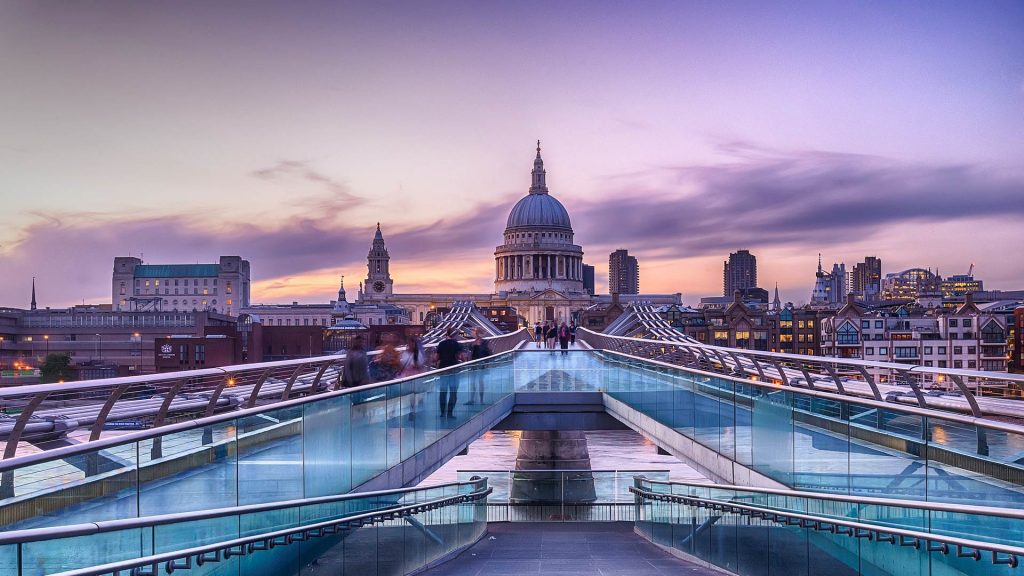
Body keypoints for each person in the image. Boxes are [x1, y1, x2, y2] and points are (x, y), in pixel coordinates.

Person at [435, 328, 462, 418]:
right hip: (454, 369)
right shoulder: (456, 344)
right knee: (453, 392)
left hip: (443, 369)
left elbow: (436, 358)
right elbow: (459, 356)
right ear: (454, 334)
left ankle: (442, 413)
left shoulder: (441, 344)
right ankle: (450, 413)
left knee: (443, 391)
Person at [467, 328, 491, 404]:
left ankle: (480, 400)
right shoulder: (474, 342)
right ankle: (473, 400)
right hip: (475, 364)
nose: (473, 333)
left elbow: (488, 352)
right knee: (474, 382)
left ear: (477, 333)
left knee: (479, 382)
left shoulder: (483, 342)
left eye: (474, 331)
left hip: (480, 364)